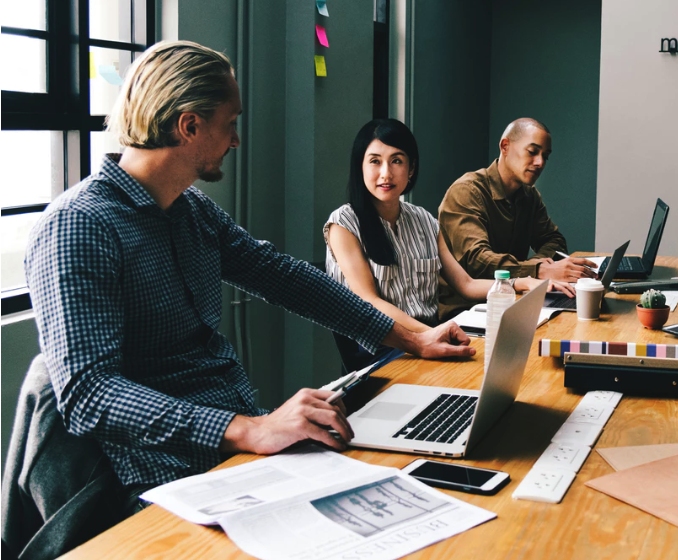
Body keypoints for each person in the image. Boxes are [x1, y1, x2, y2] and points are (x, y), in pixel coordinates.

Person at [23, 41, 473, 512]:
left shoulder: (191, 209)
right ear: (190, 125)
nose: (236, 139)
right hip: (160, 482)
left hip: (237, 457)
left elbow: (283, 277)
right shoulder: (78, 226)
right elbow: (89, 396)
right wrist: (252, 429)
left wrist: (412, 339)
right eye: (230, 123)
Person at [324, 119, 573, 335]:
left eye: (397, 161)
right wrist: (430, 334)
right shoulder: (344, 223)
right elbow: (370, 302)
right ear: (361, 167)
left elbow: (465, 283)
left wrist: (523, 282)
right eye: (375, 161)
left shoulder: (423, 220)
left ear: (411, 169)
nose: (386, 173)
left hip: (431, 338)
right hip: (384, 348)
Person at [438, 118, 597, 282]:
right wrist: (536, 270)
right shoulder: (466, 191)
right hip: (469, 304)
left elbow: (554, 240)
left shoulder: (529, 196)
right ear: (505, 146)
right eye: (532, 151)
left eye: (545, 156)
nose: (540, 162)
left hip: (515, 295)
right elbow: (477, 261)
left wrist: (537, 264)